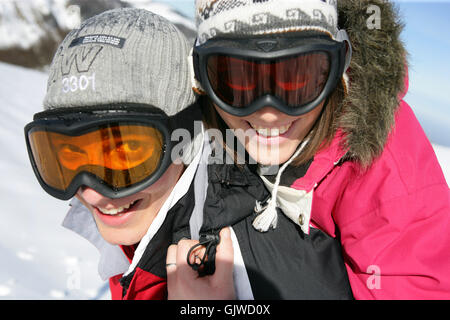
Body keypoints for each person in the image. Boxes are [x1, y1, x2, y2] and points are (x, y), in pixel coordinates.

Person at [168, 0, 450, 299]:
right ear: (201, 76)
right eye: (238, 78)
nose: (268, 113)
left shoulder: (383, 163)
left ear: (339, 69)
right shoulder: (194, 137)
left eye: (297, 77)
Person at [24, 8, 230, 300]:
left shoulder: (247, 261)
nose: (93, 194)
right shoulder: (132, 249)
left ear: (189, 137)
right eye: (70, 155)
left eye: (128, 151)